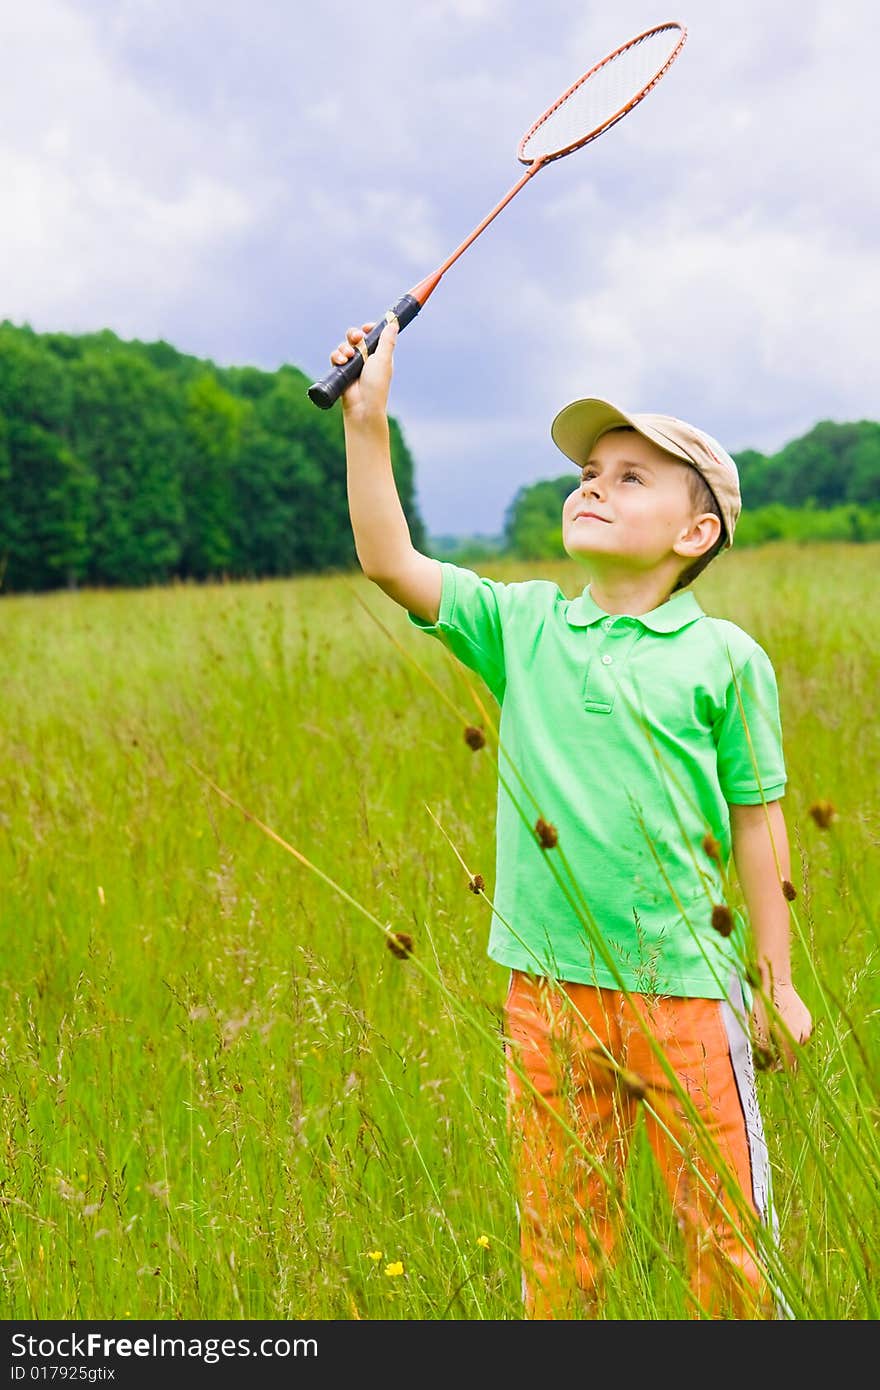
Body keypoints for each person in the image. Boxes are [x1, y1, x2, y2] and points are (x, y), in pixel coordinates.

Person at [329, 318, 813, 1320]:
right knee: (560, 1245)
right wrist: (365, 424)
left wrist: (775, 983)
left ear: (696, 532)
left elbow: (760, 826)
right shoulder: (524, 626)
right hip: (546, 996)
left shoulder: (723, 658)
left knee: (724, 1242)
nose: (593, 483)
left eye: (632, 476)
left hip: (685, 995)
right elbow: (388, 559)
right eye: (590, 469)